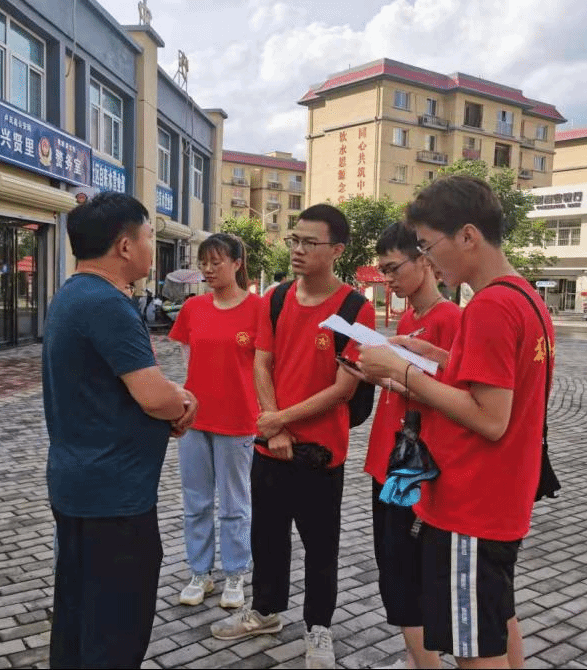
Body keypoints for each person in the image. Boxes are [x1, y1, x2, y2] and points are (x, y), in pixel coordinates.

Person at [358, 176, 554, 669]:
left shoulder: (488, 305)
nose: (428, 258)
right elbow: (499, 384)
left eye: (428, 245)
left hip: (471, 503)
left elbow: (490, 418)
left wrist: (400, 370)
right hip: (501, 498)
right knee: (495, 621)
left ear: (467, 235)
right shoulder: (522, 296)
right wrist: (435, 357)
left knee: (475, 650)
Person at [211, 204, 376, 670]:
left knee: (320, 543)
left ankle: (319, 627)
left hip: (321, 452)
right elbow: (262, 361)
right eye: (295, 240)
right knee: (267, 535)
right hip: (271, 445)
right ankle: (265, 610)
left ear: (337, 250)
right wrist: (273, 422)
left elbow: (345, 388)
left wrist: (282, 419)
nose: (299, 250)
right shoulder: (277, 298)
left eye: (310, 242)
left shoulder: (354, 308)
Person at [43, 192, 198, 668]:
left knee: (79, 615)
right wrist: (183, 402)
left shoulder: (71, 294)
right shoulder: (108, 304)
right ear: (125, 246)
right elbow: (153, 395)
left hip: (78, 483)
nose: (152, 246)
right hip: (114, 494)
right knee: (116, 627)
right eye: (150, 235)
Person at [364, 223, 461, 669]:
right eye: (381, 270)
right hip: (389, 457)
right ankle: (414, 659)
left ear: (425, 261)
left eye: (393, 268)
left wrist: (405, 370)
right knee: (393, 567)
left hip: (414, 465)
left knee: (406, 572)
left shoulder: (450, 320)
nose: (387, 278)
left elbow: (457, 396)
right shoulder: (408, 318)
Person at [169, 233, 261, 609]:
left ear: (237, 264)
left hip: (239, 419)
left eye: (216, 262)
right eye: (203, 262)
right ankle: (200, 571)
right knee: (196, 500)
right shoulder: (194, 308)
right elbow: (187, 361)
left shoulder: (258, 309)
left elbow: (264, 366)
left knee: (235, 504)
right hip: (195, 418)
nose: (208, 269)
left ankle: (236, 573)